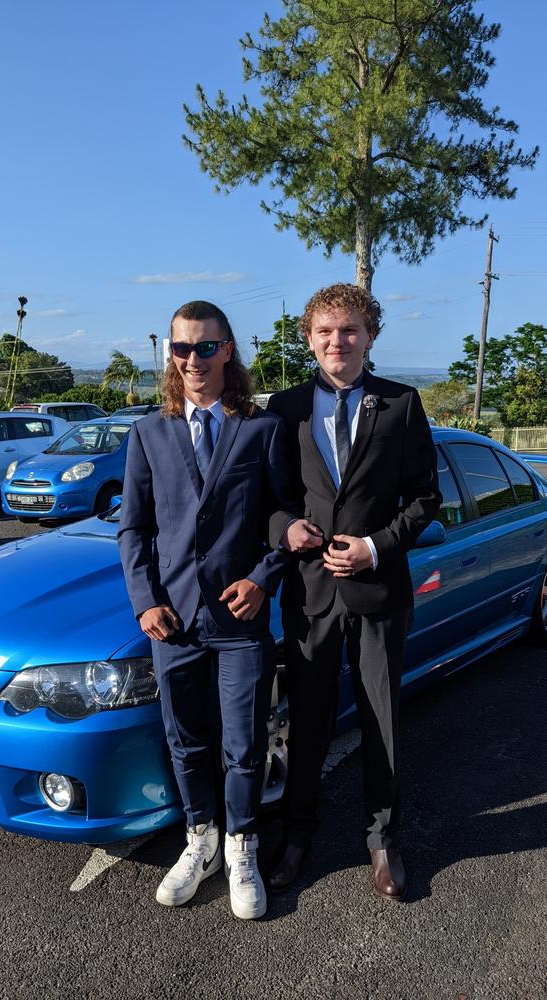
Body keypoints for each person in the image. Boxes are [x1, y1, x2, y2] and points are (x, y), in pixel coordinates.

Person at [118, 300, 295, 920]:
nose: (192, 360)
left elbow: (283, 519)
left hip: (240, 622)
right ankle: (203, 840)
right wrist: (146, 605)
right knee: (186, 742)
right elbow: (134, 530)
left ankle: (243, 845)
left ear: (227, 352)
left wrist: (263, 578)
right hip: (173, 623)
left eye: (204, 347)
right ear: (170, 354)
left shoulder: (260, 429)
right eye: (180, 348)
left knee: (244, 745)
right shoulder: (147, 433)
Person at [266, 283, 441, 901]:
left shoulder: (401, 403)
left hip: (377, 587)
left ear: (370, 336)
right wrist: (285, 527)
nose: (336, 342)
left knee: (382, 720)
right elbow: (270, 500)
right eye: (324, 331)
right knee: (307, 723)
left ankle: (382, 840)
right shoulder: (283, 409)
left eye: (349, 330)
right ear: (308, 338)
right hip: (310, 594)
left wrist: (376, 545)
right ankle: (296, 835)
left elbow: (425, 500)